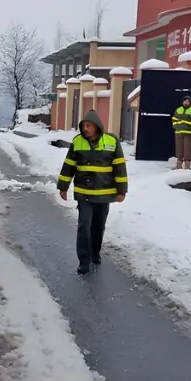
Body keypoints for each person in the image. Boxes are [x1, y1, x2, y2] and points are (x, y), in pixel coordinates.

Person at [56, 110, 128, 275]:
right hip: (84, 193)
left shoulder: (112, 141)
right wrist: (63, 186)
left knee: (98, 227)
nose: (85, 129)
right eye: (84, 126)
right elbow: (69, 166)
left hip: (105, 193)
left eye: (88, 126)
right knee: (84, 227)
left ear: (96, 126)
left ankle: (95, 252)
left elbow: (119, 167)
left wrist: (121, 191)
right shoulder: (77, 142)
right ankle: (84, 261)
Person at [171, 95, 191, 170]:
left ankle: (187, 167)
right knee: (179, 150)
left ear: (190, 102)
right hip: (179, 133)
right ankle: (178, 166)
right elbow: (174, 120)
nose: (186, 102)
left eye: (188, 101)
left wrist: (187, 126)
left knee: (187, 150)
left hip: (189, 133)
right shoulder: (178, 110)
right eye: (185, 101)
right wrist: (177, 127)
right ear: (183, 101)